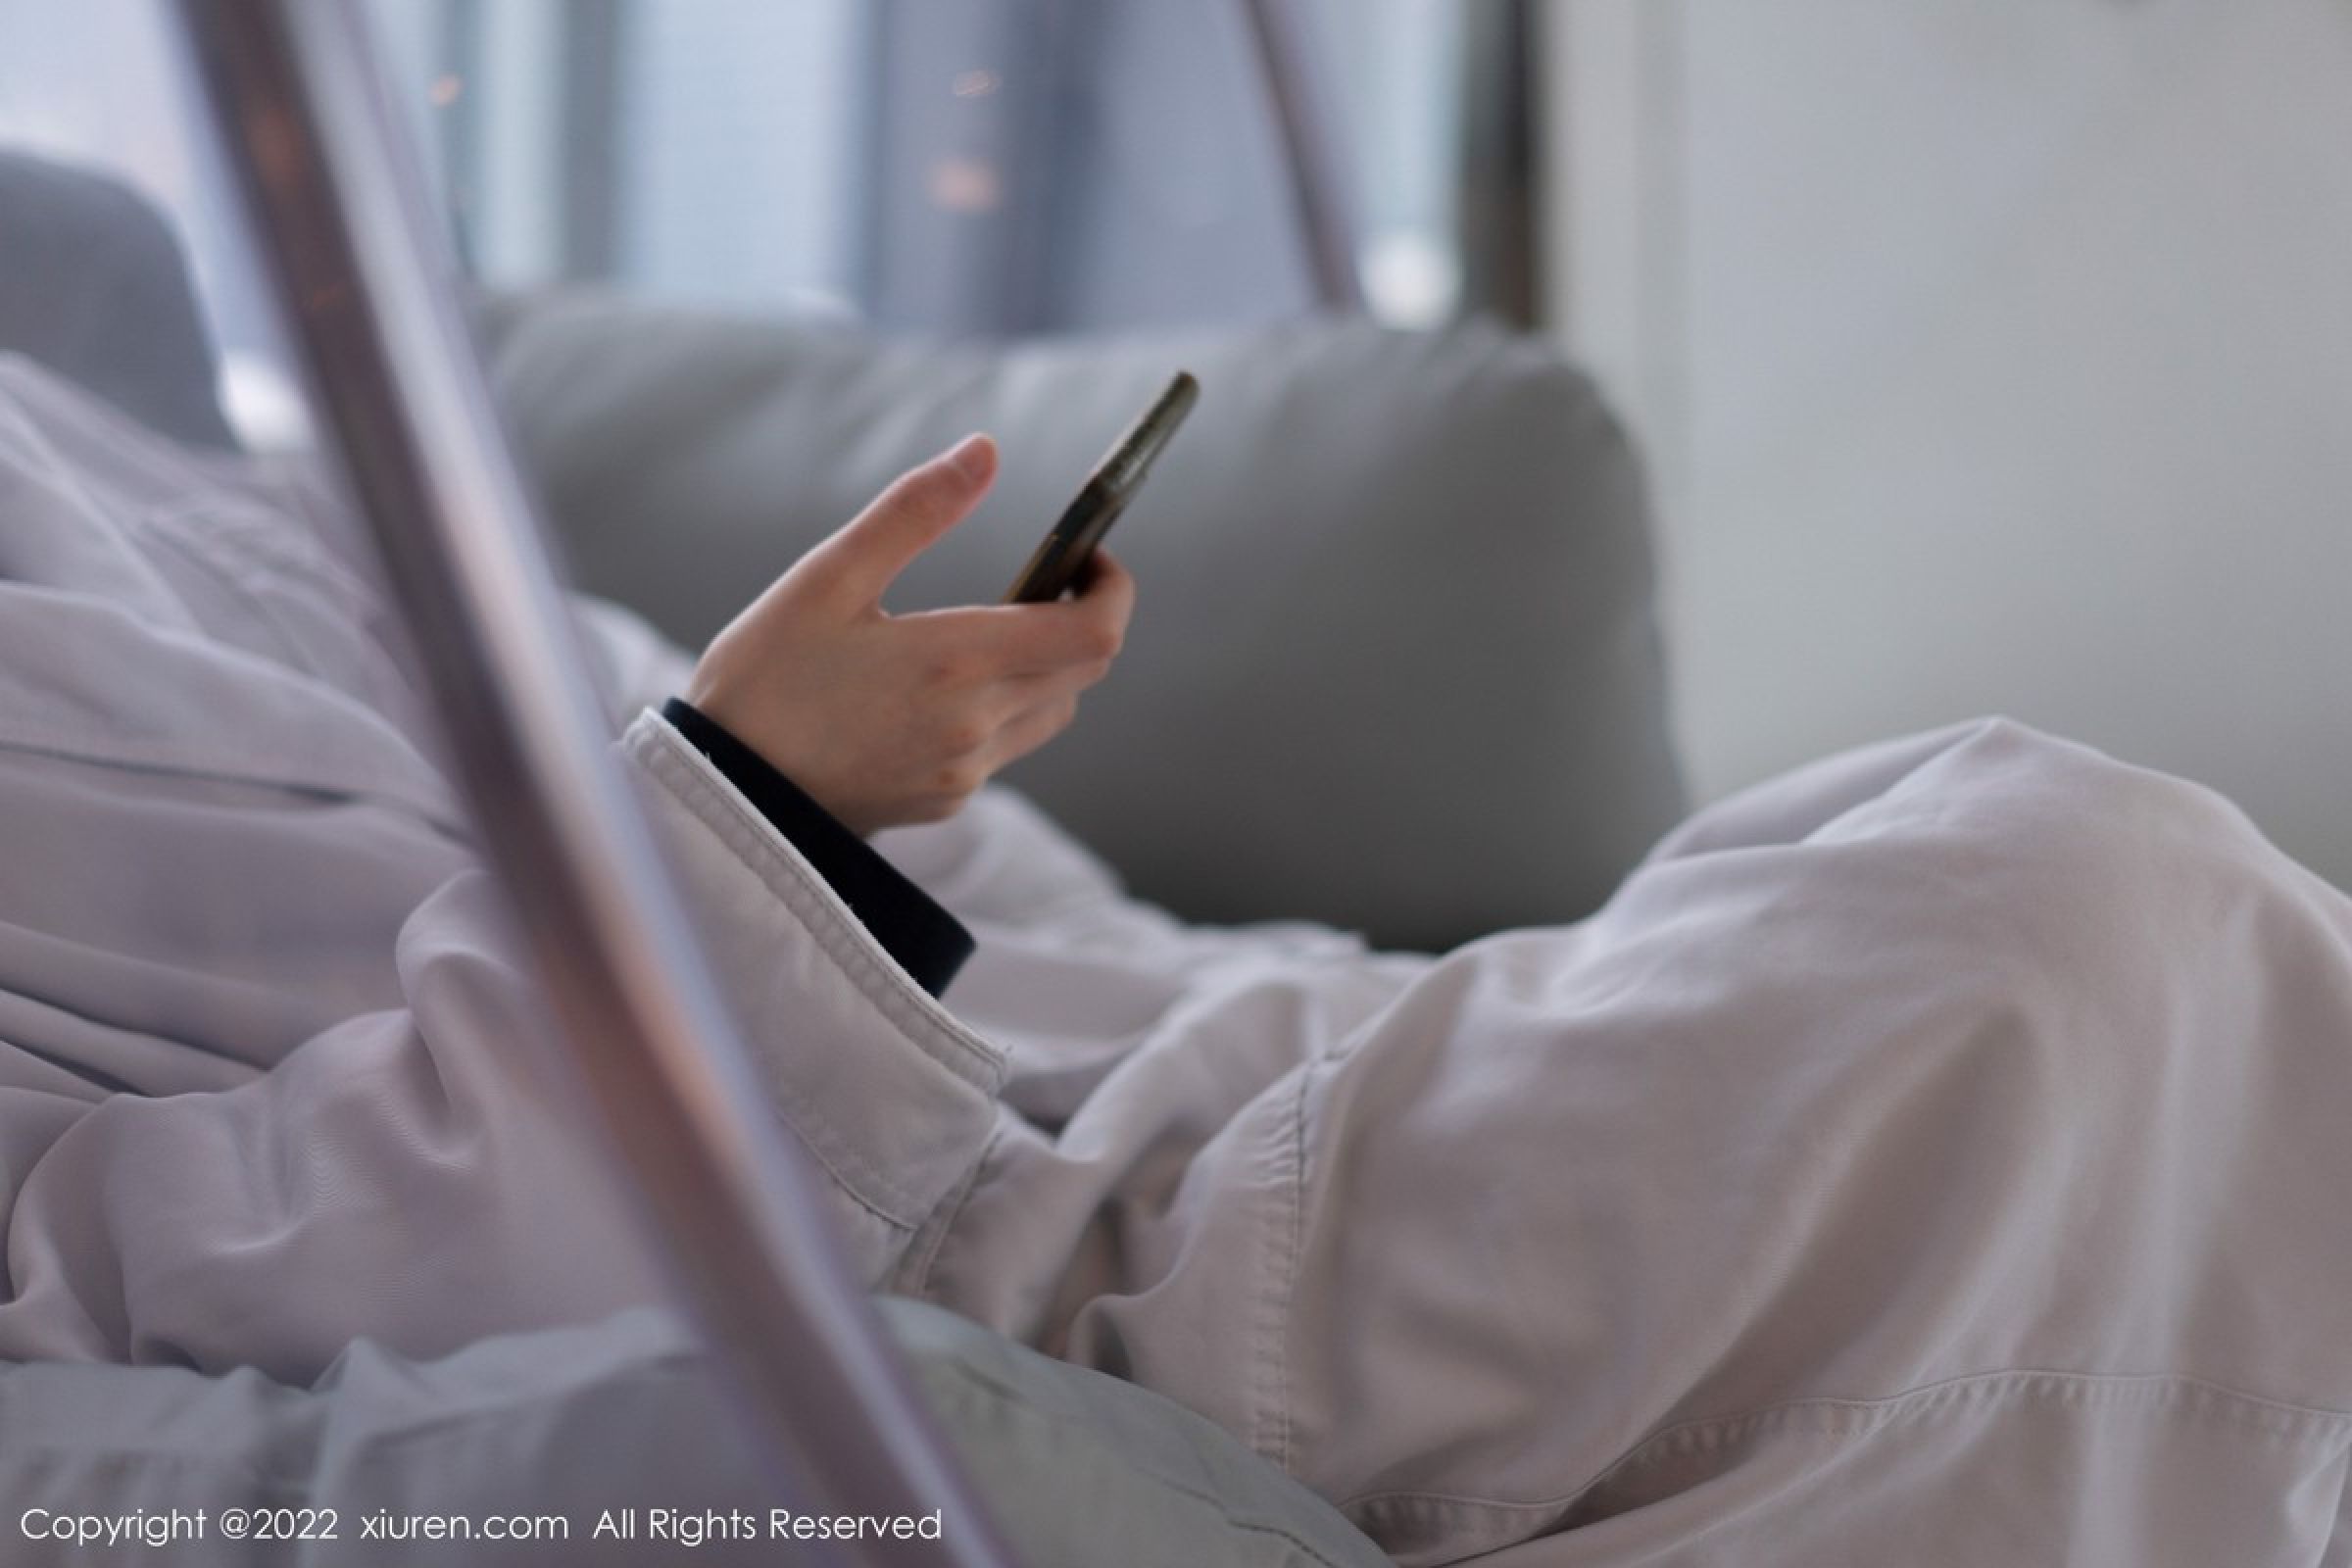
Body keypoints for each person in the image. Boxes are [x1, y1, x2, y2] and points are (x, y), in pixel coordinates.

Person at [0, 352, 2347, 1566]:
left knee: (2004, 909)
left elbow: (1015, 911)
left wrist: (899, 759)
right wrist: (764, 806)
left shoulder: (147, 471)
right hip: (954, 1249)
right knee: (2068, 919)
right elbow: (160, 1303)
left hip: (1170, 1085)